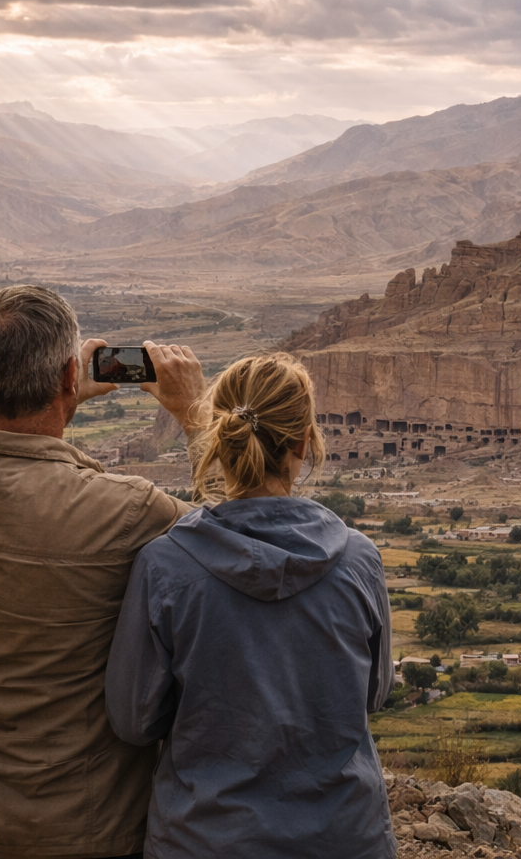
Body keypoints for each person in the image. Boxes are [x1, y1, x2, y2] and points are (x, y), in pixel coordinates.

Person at [0, 285, 205, 859]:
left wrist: (61, 397)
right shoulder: (125, 511)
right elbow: (237, 533)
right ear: (68, 374)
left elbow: (10, 466)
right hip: (88, 830)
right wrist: (194, 415)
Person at [105, 351, 395, 859]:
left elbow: (133, 719)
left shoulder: (166, 565)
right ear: (305, 442)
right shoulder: (359, 559)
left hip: (206, 840)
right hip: (346, 839)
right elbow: (373, 695)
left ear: (220, 439)